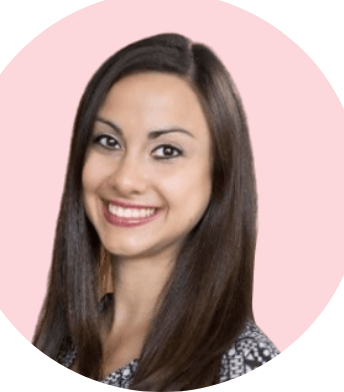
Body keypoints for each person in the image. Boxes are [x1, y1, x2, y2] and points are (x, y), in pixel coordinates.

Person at [32, 33, 280, 390]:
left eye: (167, 151)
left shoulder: (242, 364)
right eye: (108, 141)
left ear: (219, 175)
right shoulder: (65, 342)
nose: (125, 180)